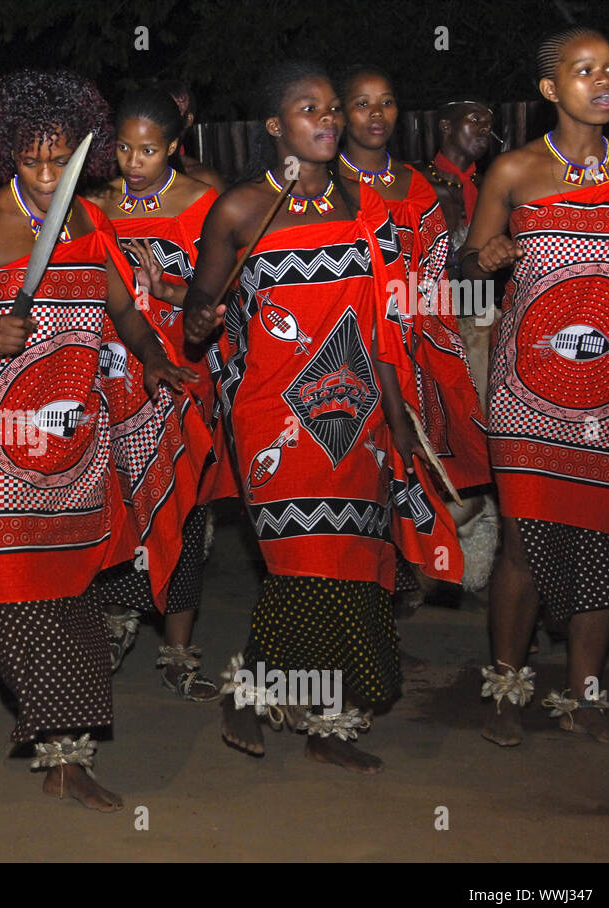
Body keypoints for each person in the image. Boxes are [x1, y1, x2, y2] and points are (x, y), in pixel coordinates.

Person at [0, 68, 195, 810]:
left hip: (71, 440)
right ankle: (4, 678)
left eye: (61, 158)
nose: (45, 172)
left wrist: (154, 358)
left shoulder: (91, 225)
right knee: (20, 592)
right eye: (31, 158)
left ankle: (24, 702)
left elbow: (125, 311)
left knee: (68, 598)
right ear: (7, 154)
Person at [185, 61, 461, 774]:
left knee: (352, 567)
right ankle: (251, 687)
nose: (329, 119)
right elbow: (194, 317)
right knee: (302, 562)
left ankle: (327, 724)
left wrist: (399, 417)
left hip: (360, 411)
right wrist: (199, 316)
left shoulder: (360, 203)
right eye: (310, 109)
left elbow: (382, 325)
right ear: (276, 126)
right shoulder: (242, 208)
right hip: (274, 414)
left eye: (332, 108)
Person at [461, 26, 609, 748]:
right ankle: (506, 688)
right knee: (524, 541)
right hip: (528, 391)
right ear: (550, 89)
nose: (603, 81)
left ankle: (585, 695)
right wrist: (488, 254)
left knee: (604, 540)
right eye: (583, 70)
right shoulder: (512, 171)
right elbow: (466, 266)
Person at [337, 66, 493, 603]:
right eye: (362, 103)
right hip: (338, 347)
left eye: (386, 103)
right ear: (341, 113)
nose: (376, 114)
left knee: (407, 462)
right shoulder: (321, 183)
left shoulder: (415, 184)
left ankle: (408, 572)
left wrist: (428, 343)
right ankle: (353, 581)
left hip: (409, 346)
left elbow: (434, 278)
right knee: (348, 466)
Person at [88, 84, 218, 700]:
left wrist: (163, 287)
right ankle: (115, 623)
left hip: (181, 370)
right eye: (123, 148)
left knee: (181, 503)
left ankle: (178, 647)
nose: (133, 161)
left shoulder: (203, 203)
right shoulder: (96, 204)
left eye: (148, 150)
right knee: (114, 501)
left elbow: (225, 297)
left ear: (173, 146)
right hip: (109, 375)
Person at [417, 100, 495, 254]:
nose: (486, 128)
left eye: (489, 124)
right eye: (475, 119)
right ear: (446, 126)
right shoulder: (416, 186)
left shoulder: (489, 188)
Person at [160, 80, 227, 191]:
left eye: (172, 112)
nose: (162, 121)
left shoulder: (205, 180)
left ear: (188, 120)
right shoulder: (132, 174)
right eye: (157, 112)